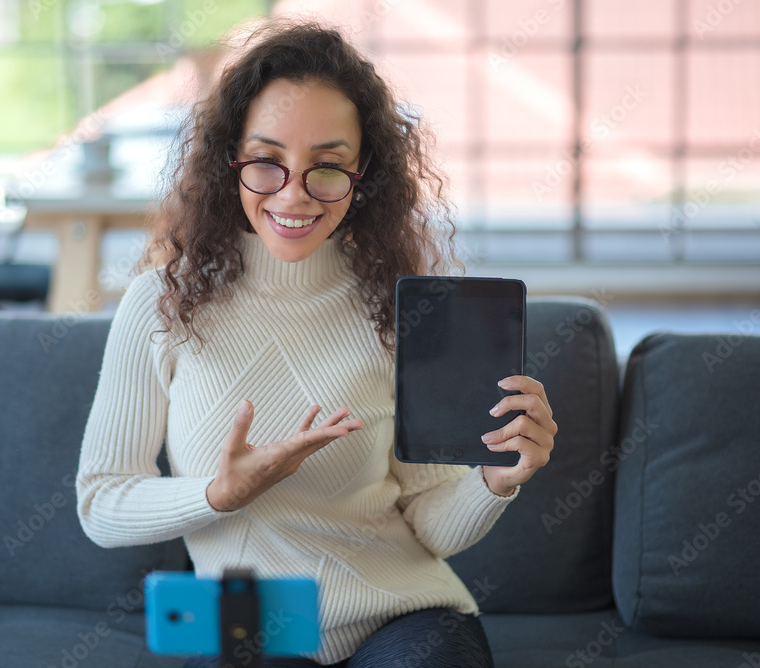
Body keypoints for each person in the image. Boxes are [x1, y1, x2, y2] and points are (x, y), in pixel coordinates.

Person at [76, 20, 557, 668]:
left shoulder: (399, 307)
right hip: (253, 633)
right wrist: (219, 494)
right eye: (268, 162)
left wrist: (495, 481)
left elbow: (428, 525)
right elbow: (102, 502)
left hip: (405, 620)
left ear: (364, 174)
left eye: (327, 167)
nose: (294, 194)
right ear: (230, 161)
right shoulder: (160, 304)